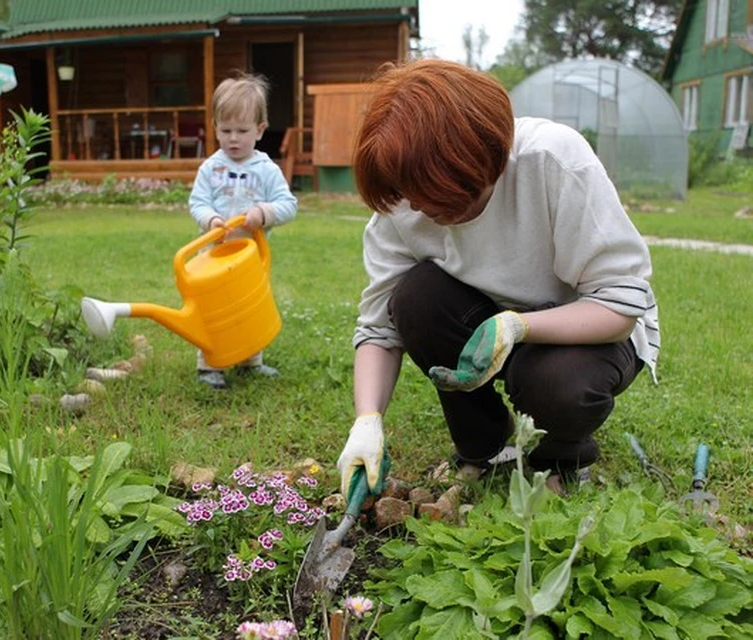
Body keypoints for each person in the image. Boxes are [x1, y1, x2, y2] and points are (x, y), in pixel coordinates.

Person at [335, 59, 660, 499]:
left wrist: (519, 326)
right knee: (414, 299)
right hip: (484, 315)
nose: (425, 212)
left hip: (589, 330)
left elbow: (620, 304)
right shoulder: (404, 197)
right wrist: (367, 419)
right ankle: (483, 446)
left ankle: (561, 458)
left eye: (443, 200)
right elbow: (380, 327)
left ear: (486, 161)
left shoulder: (551, 160)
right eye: (414, 198)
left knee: (555, 381)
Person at [189, 73, 298, 390]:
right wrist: (210, 220)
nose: (233, 138)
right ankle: (210, 364)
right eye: (225, 130)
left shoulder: (266, 170)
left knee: (247, 306)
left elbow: (288, 204)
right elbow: (197, 202)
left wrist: (264, 213)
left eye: (242, 130)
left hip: (250, 255)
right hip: (213, 254)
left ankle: (252, 359)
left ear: (260, 130)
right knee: (215, 310)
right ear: (215, 128)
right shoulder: (210, 168)